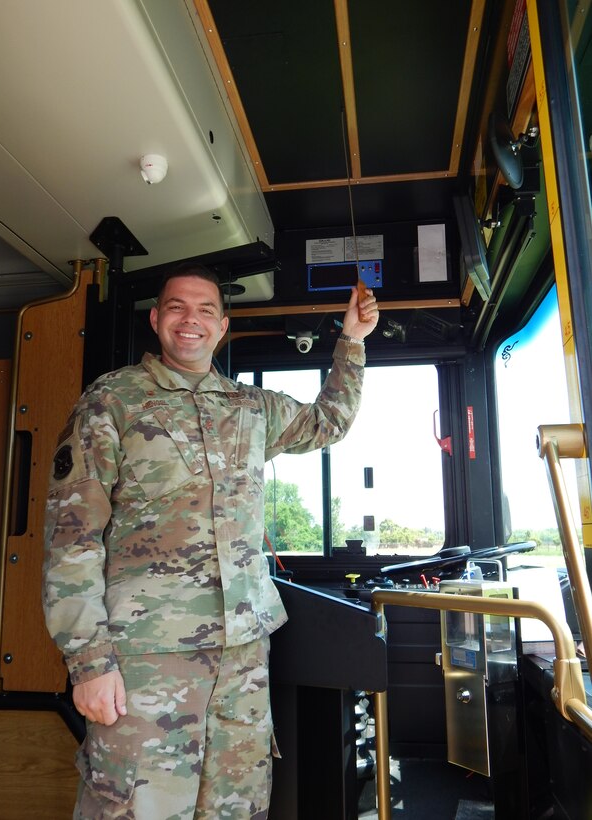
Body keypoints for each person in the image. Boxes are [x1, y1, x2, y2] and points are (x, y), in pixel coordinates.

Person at [43, 263, 379, 820]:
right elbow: (72, 536)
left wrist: (351, 342)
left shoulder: (251, 409)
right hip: (145, 658)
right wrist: (88, 662)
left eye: (205, 310)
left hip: (243, 654)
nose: (190, 320)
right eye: (176, 307)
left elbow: (328, 422)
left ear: (222, 327)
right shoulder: (113, 401)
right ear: (155, 319)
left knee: (236, 804)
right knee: (132, 805)